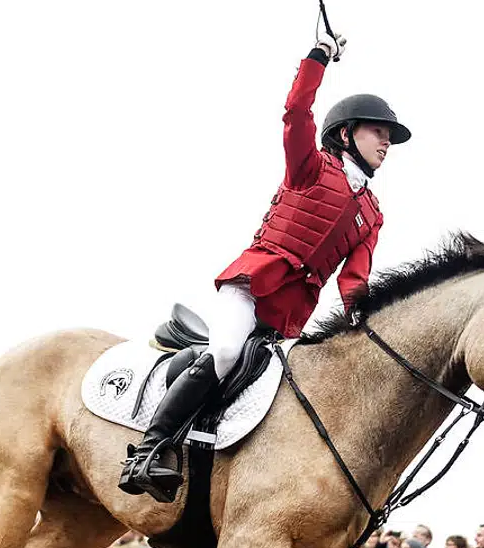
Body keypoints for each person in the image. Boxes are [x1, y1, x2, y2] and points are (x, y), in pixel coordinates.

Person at [119, 29, 411, 501]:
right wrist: (317, 58)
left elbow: (355, 277)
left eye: (390, 137)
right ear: (345, 134)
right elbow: (296, 112)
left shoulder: (372, 213)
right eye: (379, 131)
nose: (387, 142)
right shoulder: (312, 167)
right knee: (229, 353)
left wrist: (361, 318)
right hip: (252, 287)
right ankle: (149, 450)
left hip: (290, 315)